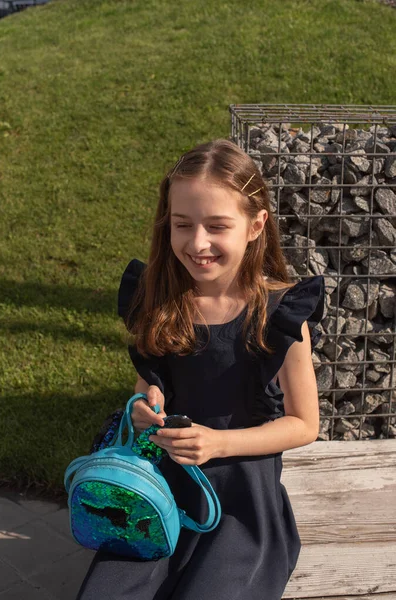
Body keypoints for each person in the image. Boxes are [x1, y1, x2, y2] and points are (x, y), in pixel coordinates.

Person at [76, 138, 325, 600]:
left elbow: (304, 424)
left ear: (255, 226)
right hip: (161, 488)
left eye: (217, 226)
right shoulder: (162, 303)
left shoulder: (280, 313)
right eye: (182, 225)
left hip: (243, 504)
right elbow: (144, 395)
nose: (197, 243)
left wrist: (218, 443)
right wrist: (146, 412)